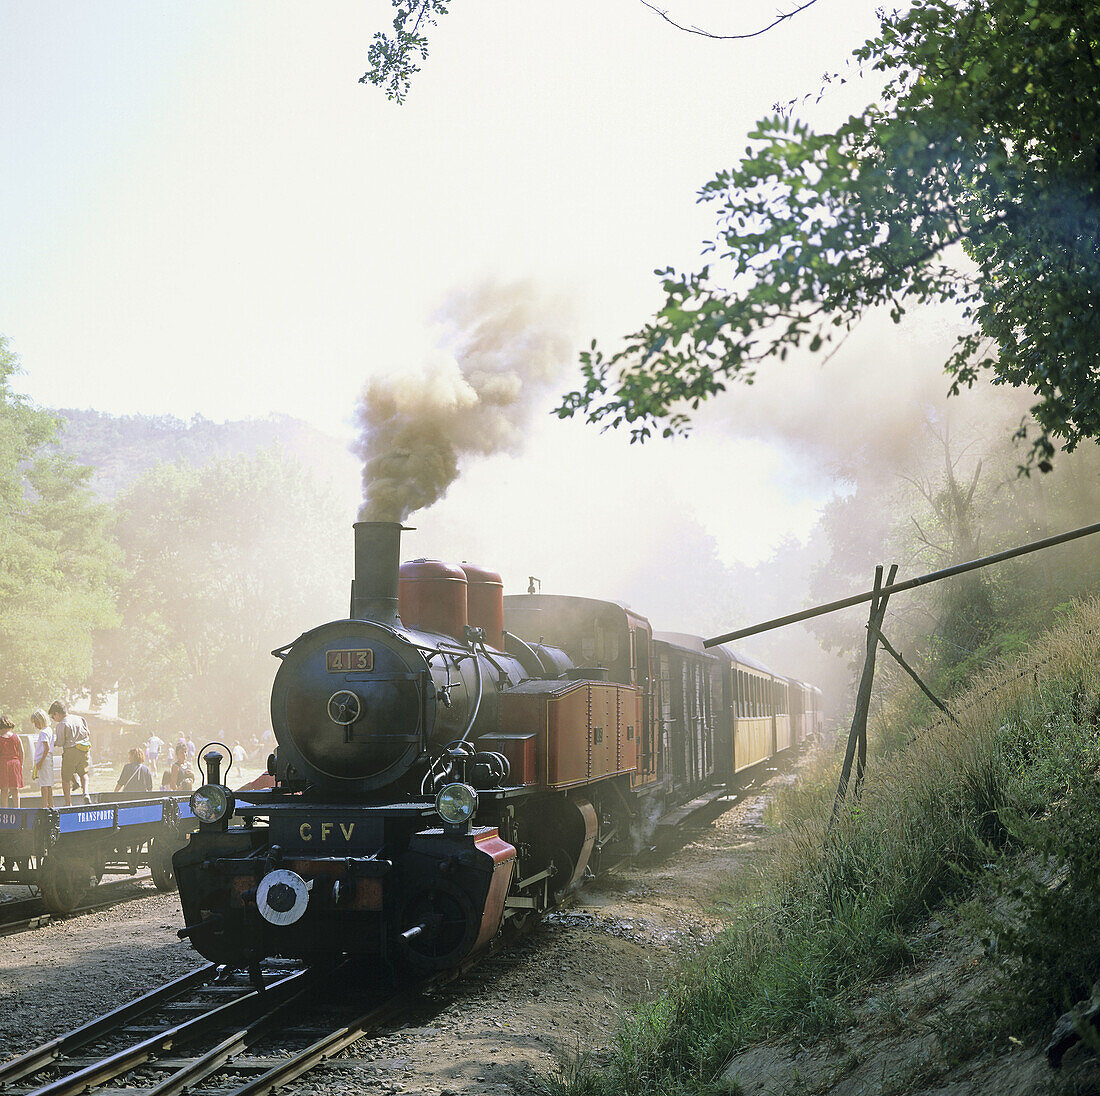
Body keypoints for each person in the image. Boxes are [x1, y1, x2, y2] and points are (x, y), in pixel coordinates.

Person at [50, 700, 91, 806]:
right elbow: (88, 733)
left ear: (57, 714)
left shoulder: (62, 724)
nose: (53, 720)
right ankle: (86, 793)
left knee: (65, 778)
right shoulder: (80, 718)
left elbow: (60, 742)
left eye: (53, 717)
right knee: (84, 773)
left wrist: (52, 744)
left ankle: (68, 803)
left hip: (71, 751)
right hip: (84, 749)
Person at [30, 708, 55, 808]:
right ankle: (51, 804)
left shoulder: (43, 732)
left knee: (43, 784)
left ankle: (44, 805)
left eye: (36, 723)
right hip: (48, 759)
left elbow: (47, 747)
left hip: (44, 760)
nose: (35, 726)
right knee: (48, 784)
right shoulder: (49, 730)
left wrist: (40, 762)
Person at [0, 715, 24, 808]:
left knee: (4, 789)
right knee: (15, 789)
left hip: (3, 764)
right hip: (15, 763)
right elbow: (21, 751)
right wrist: (21, 764)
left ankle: (4, 809)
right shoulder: (16, 737)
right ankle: (17, 808)